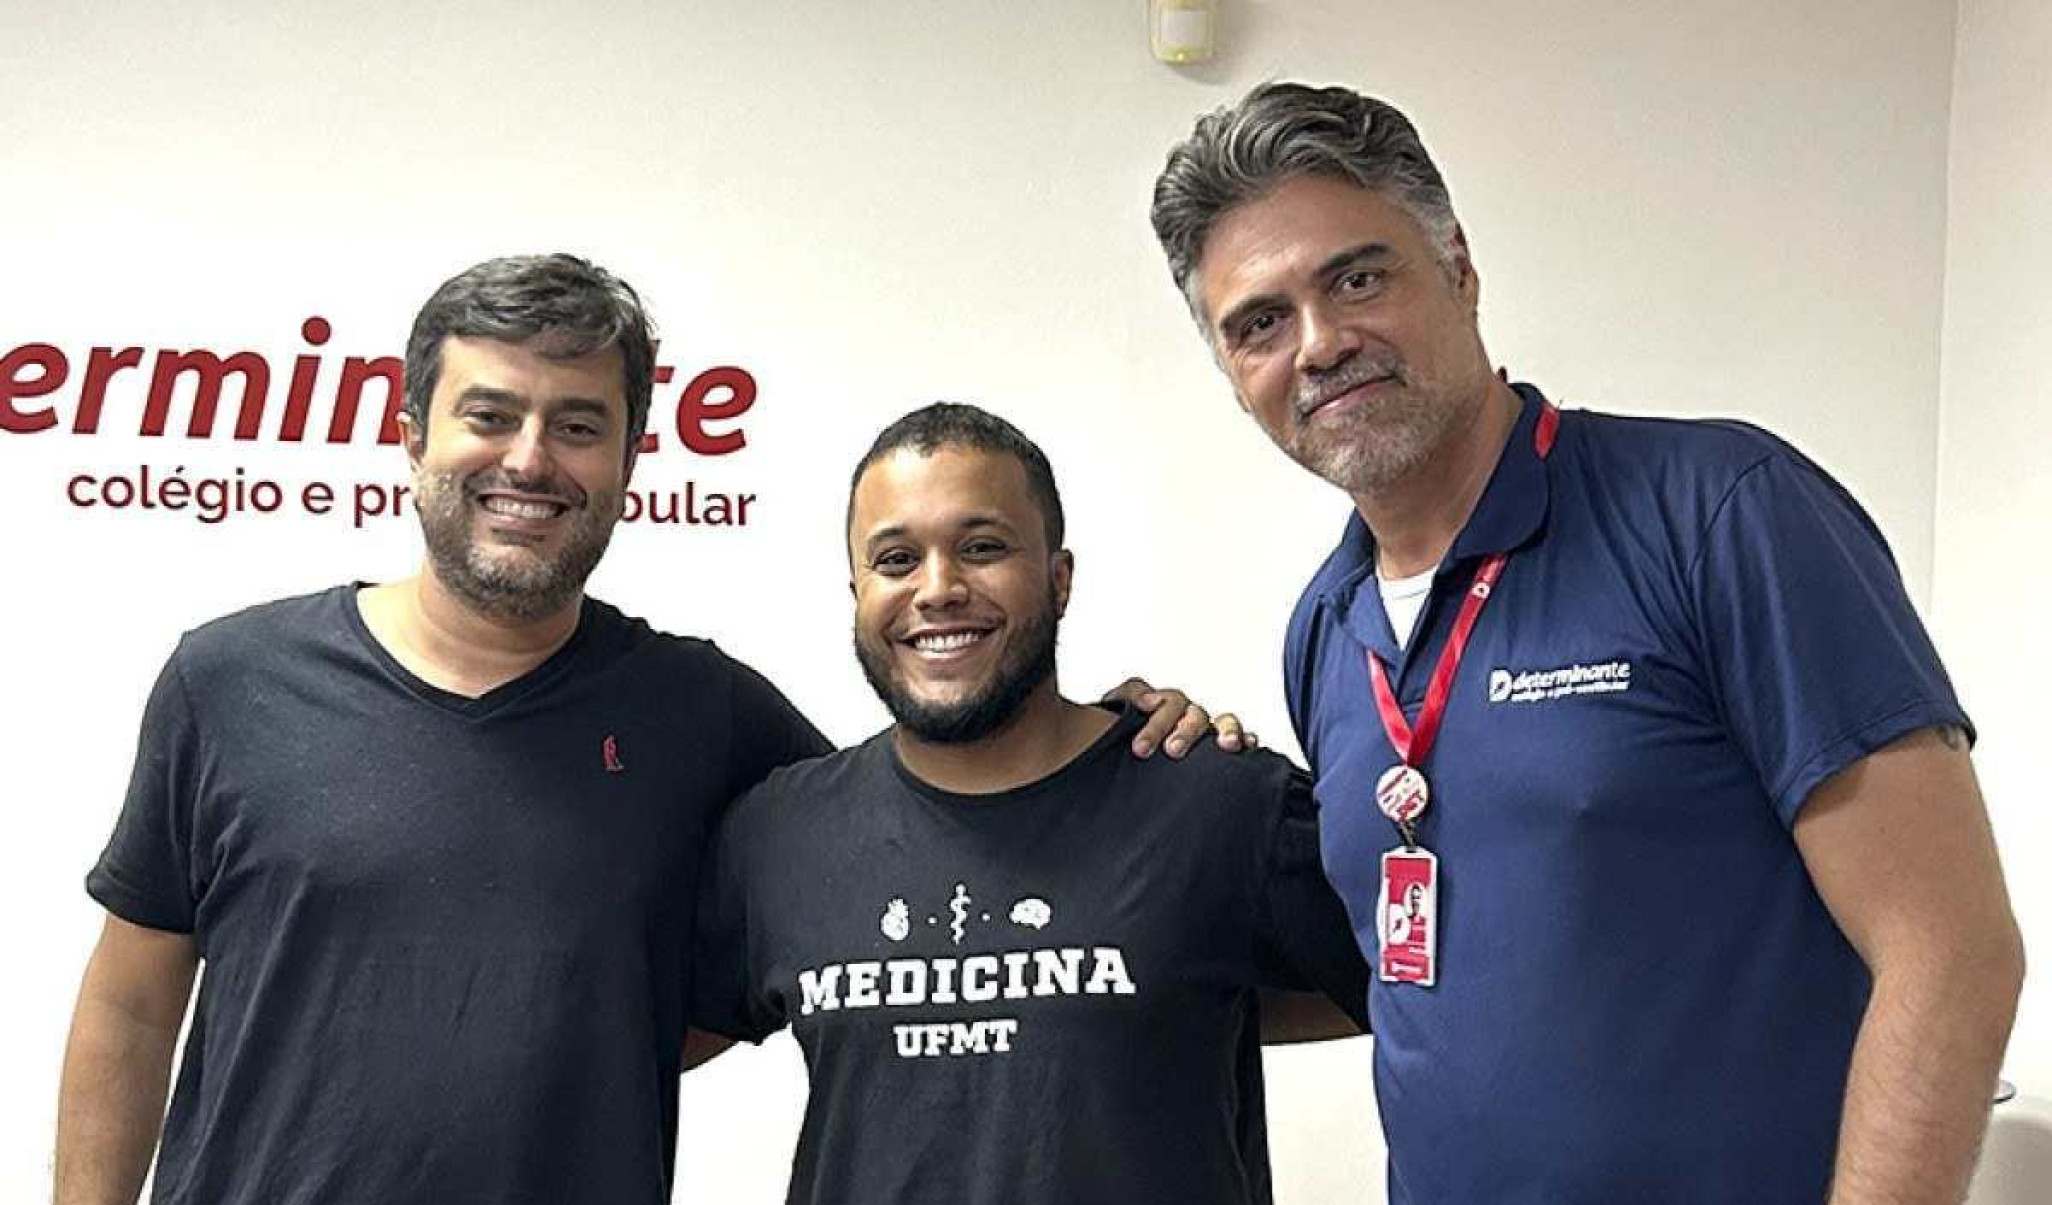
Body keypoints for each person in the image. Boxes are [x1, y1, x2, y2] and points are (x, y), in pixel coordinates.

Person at [53, 255, 1226, 1205]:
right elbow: (133, 996)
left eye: (577, 424)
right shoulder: (232, 678)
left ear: (625, 460)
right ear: (413, 437)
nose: (529, 458)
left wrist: (1111, 751)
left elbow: (925, 817)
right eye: (489, 414)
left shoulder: (700, 711)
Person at [1149, 83, 2024, 1204]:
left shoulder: (1720, 512)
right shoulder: (1327, 628)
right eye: (1259, 322)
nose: (1320, 343)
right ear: (1233, 374)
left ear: (1458, 267)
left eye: (1357, 276)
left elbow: (1952, 951)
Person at [689, 403, 1370, 1205]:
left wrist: (1177, 1002)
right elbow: (620, 1045)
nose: (938, 588)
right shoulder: (777, 836)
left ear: (1059, 577)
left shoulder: (1218, 802)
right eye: (897, 558)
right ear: (856, 591)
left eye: (982, 548)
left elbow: (1431, 990)